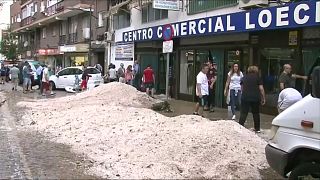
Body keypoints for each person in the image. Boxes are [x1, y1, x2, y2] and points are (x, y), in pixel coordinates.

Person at [239, 66, 266, 133]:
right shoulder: (258, 78)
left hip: (245, 97)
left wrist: (244, 93)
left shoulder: (244, 77)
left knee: (244, 112)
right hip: (255, 97)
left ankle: (240, 126)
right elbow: (261, 89)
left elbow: (241, 87)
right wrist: (263, 98)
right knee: (256, 113)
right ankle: (257, 128)